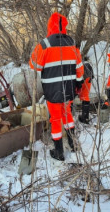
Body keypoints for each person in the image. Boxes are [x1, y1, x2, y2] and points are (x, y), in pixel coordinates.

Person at [29, 12, 84, 161]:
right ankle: (73, 145)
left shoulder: (45, 44)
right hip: (69, 90)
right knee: (67, 115)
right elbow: (80, 69)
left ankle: (59, 151)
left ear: (49, 26)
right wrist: (78, 83)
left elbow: (34, 66)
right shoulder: (72, 44)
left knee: (55, 119)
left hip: (52, 92)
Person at [78, 56, 94, 124]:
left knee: (84, 96)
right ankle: (85, 117)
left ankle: (84, 118)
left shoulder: (80, 64)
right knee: (85, 96)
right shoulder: (87, 64)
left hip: (84, 77)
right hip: (88, 77)